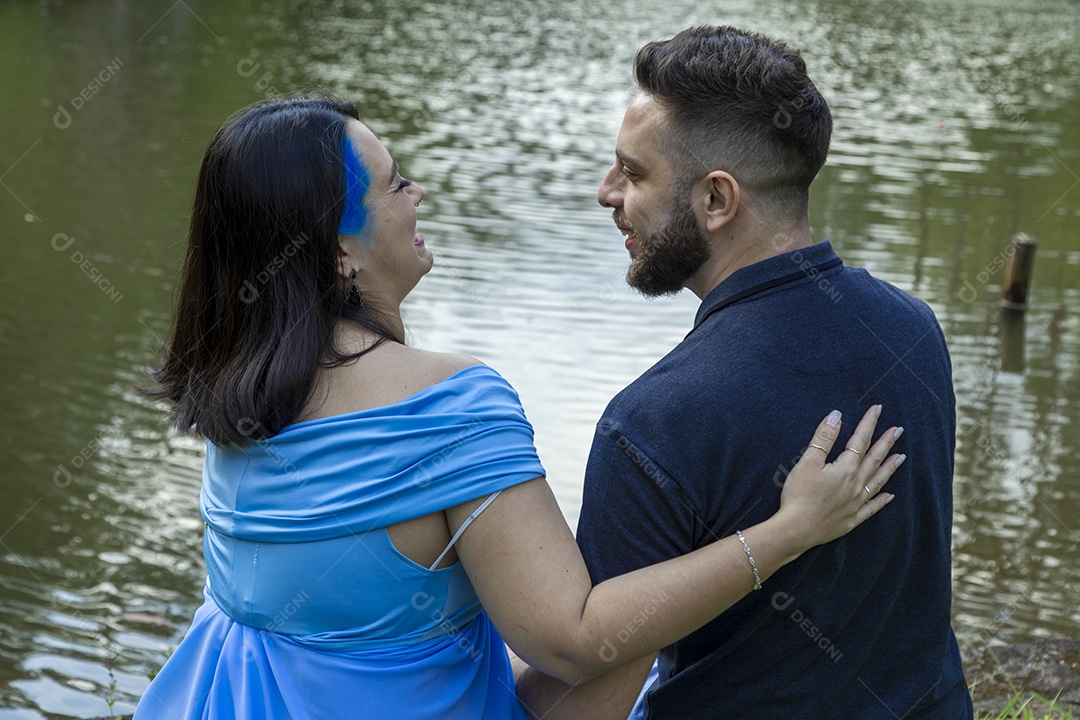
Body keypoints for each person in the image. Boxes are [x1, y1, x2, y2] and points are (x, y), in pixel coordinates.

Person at [133, 97, 903, 719]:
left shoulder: (234, 389)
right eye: (395, 182)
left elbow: (364, 622)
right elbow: (574, 643)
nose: (417, 193)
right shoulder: (447, 407)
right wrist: (785, 532)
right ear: (339, 251)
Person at [516, 25, 973, 720]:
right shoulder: (916, 329)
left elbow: (587, 699)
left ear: (717, 200)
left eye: (633, 173)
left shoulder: (656, 420)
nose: (606, 193)